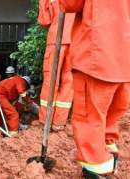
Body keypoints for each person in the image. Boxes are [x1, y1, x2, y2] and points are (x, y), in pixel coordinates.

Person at [59, 0, 130, 178]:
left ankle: (96, 168)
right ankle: (109, 154)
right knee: (110, 117)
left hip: (96, 56)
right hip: (124, 59)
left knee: (90, 119)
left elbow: (69, 4)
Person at [38, 0, 75, 131]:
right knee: (69, 82)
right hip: (76, 40)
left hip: (56, 40)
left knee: (50, 81)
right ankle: (59, 122)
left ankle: (45, 121)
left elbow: (44, 21)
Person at [0, 66, 31, 136]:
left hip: (0, 94)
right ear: (26, 83)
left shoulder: (14, 82)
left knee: (13, 109)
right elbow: (22, 93)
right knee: (13, 114)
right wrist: (27, 101)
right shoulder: (20, 81)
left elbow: (15, 100)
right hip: (0, 95)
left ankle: (13, 126)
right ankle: (13, 133)